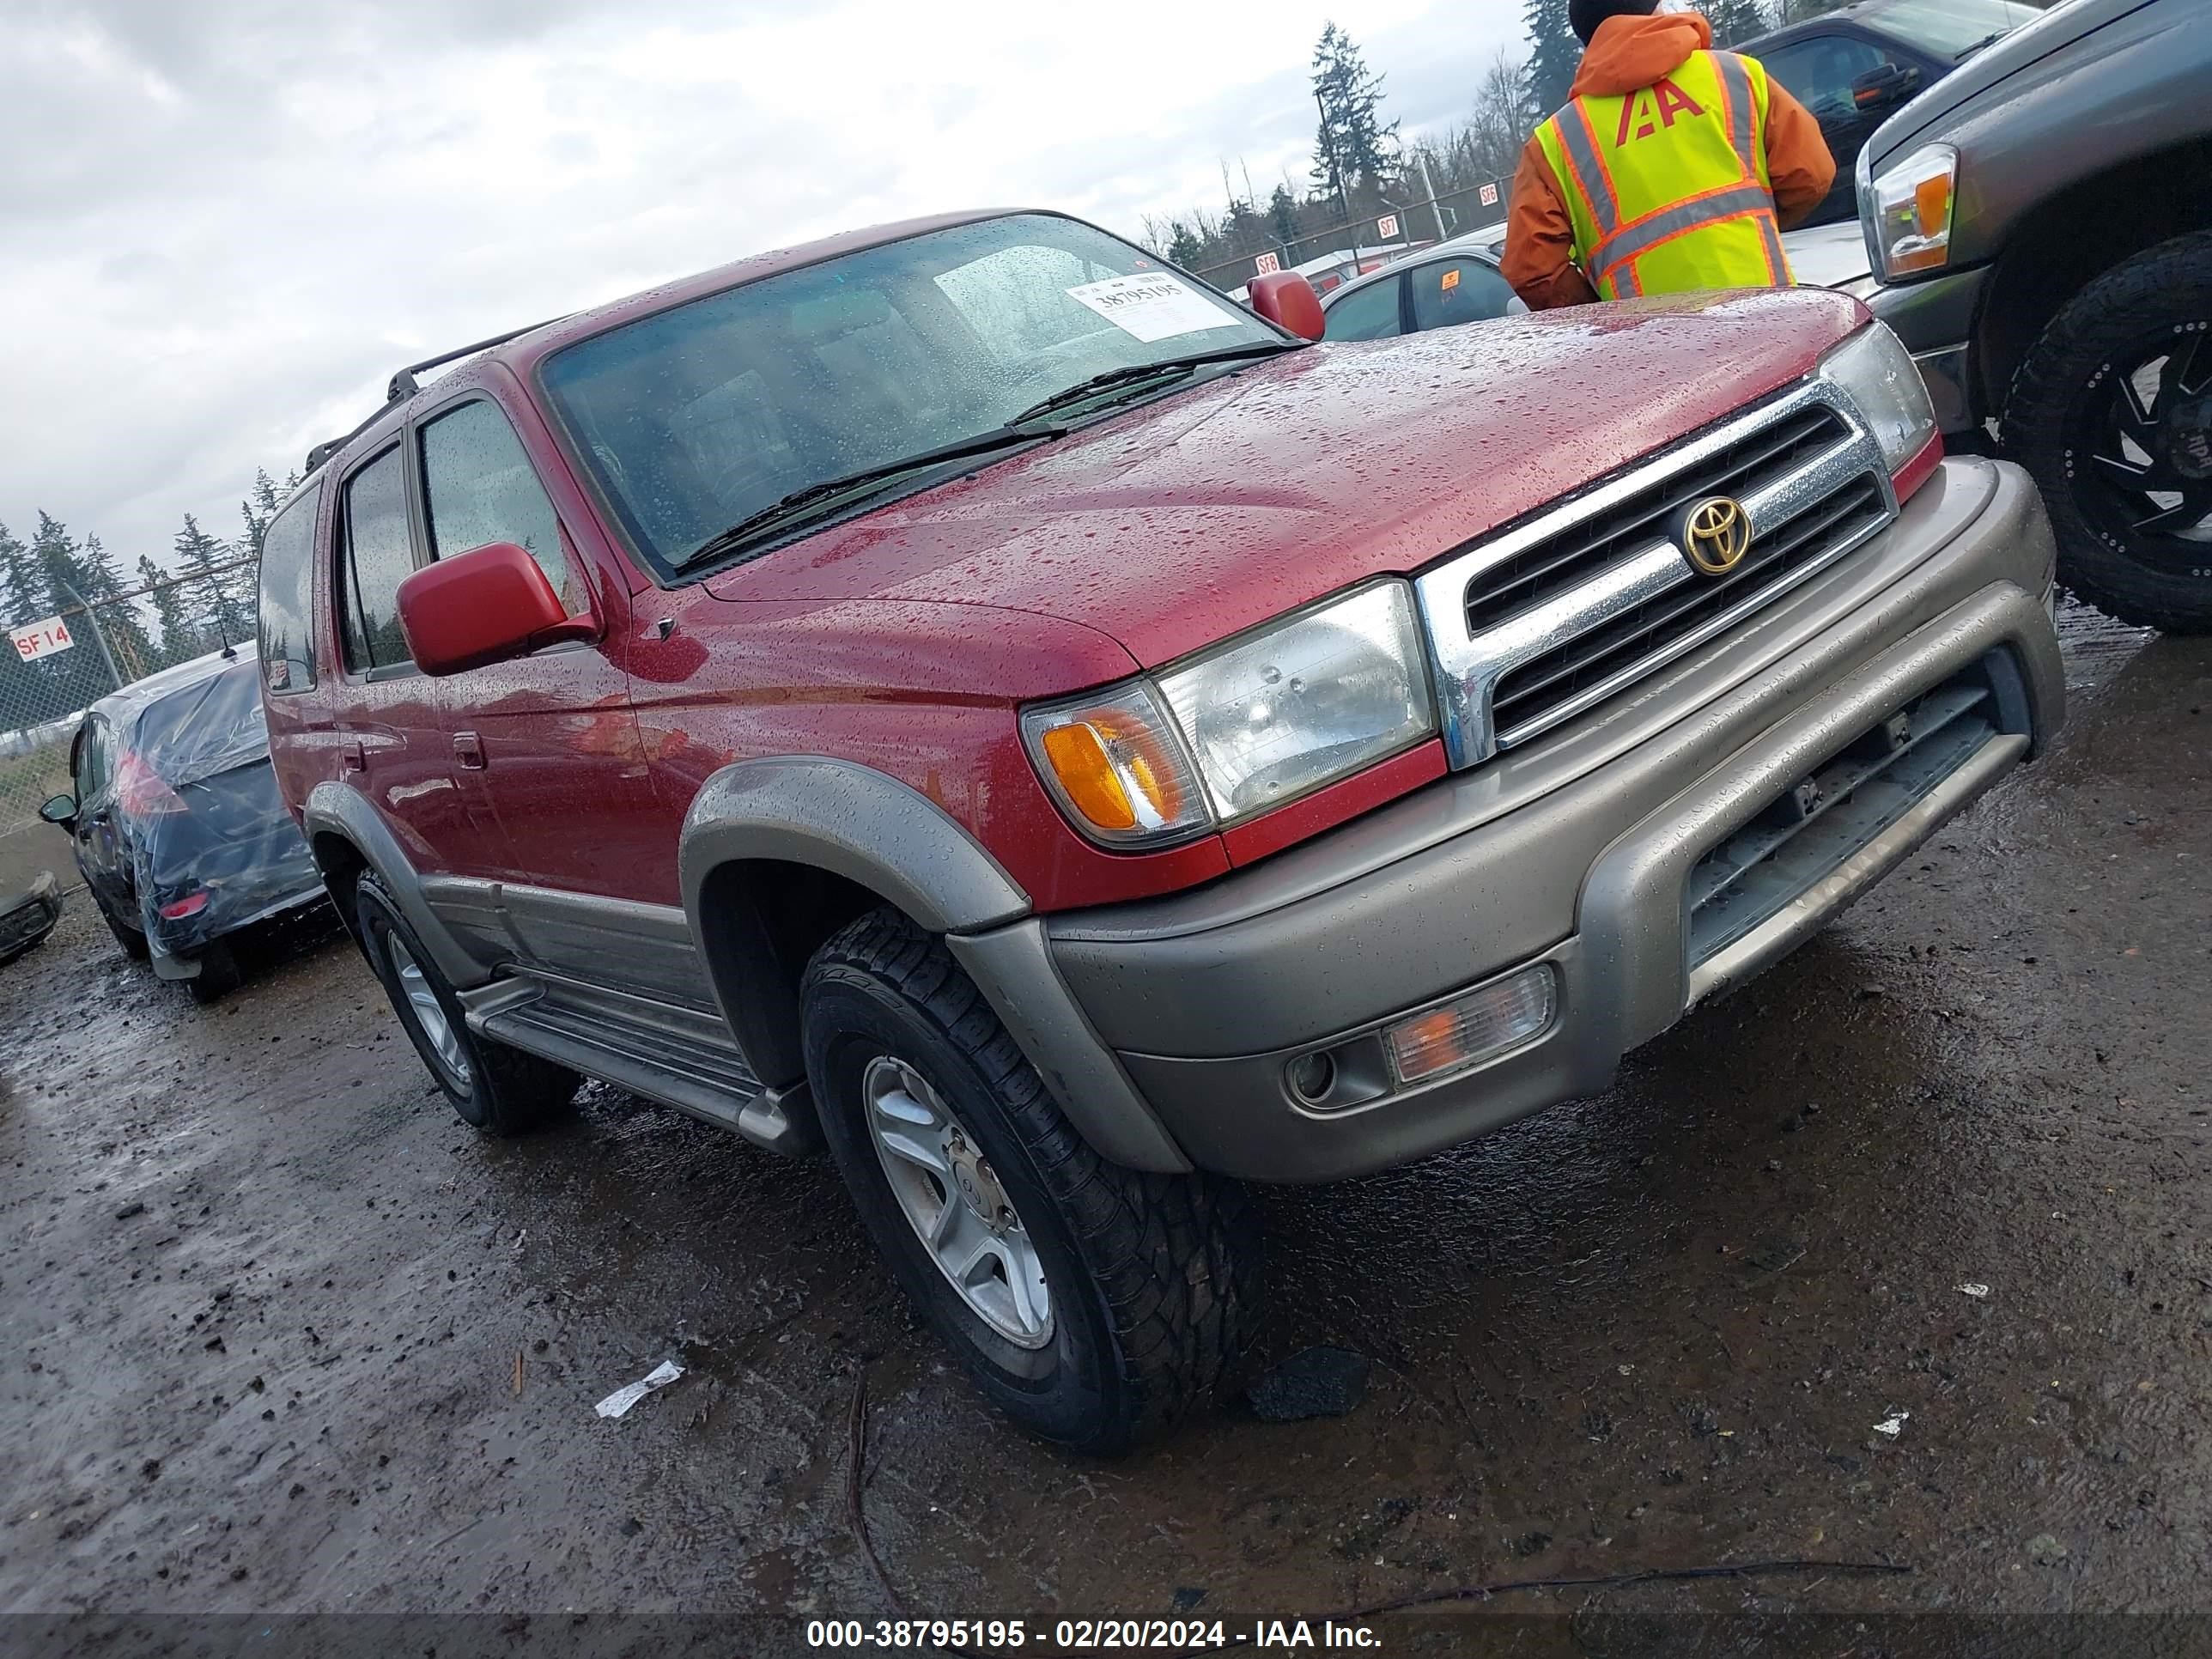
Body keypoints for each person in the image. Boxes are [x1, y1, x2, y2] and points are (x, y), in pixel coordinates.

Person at [1502, 0, 1835, 310]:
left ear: (1588, 42)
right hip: (1770, 319)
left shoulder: (1556, 142)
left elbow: (1532, 270)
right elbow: (1811, 174)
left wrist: (1605, 315)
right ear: (1658, 10)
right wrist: (1748, 228)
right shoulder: (1737, 76)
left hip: (1659, 355)